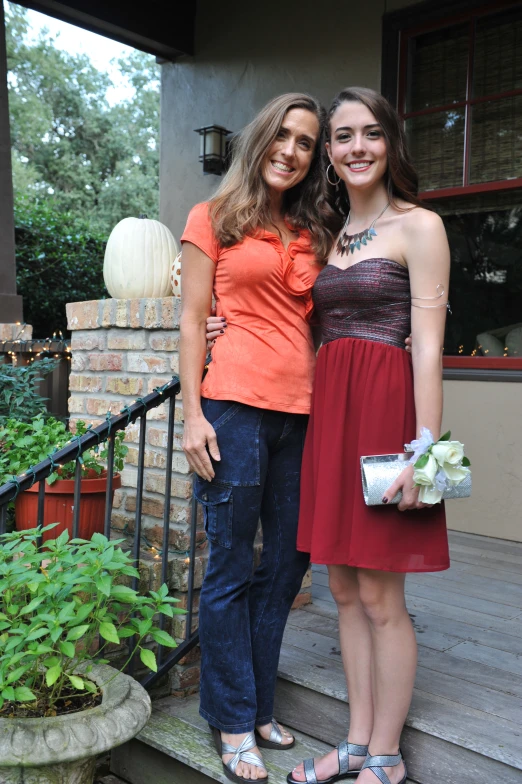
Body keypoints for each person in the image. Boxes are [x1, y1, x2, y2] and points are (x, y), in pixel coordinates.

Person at [285, 87, 451, 784]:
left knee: (383, 597)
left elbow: (430, 348)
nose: (357, 147)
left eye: (371, 134)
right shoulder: (327, 236)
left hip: (387, 418)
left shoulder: (421, 227)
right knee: (344, 591)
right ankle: (354, 743)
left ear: (390, 145)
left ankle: (386, 755)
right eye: (343, 136)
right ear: (329, 152)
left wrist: (425, 450)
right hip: (333, 418)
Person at [179, 92, 340, 784]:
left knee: (288, 564)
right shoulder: (211, 217)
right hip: (234, 409)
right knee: (231, 568)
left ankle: (258, 699)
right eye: (284, 136)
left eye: (306, 143)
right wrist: (192, 414)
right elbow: (190, 321)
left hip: (304, 416)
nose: (292, 150)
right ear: (260, 140)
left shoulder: (315, 229)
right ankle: (233, 718)